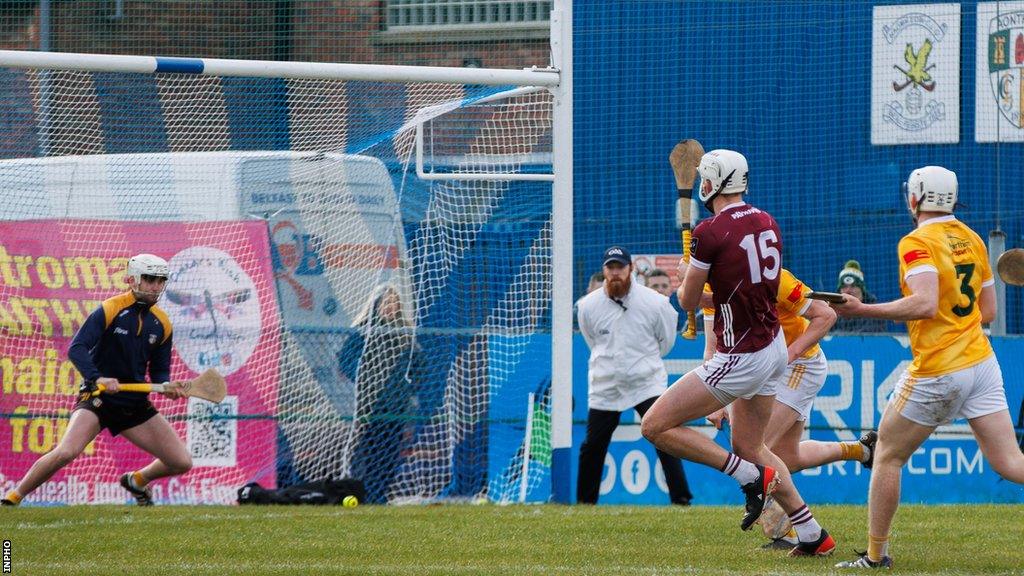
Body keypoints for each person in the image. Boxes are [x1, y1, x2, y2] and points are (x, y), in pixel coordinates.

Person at [641, 149, 835, 557]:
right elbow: (739, 291)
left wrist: (684, 281)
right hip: (773, 349)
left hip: (741, 355)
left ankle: (748, 476)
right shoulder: (768, 222)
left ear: (710, 184)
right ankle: (813, 533)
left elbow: (690, 301)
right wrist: (704, 281)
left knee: (655, 426)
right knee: (754, 445)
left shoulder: (710, 232)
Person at [832, 167, 1024, 569]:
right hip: (981, 362)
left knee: (886, 454)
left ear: (915, 198)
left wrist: (862, 308)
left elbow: (923, 304)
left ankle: (875, 557)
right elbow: (987, 311)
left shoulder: (917, 241)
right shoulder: (971, 237)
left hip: (941, 367)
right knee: (1010, 462)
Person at [704, 268, 878, 549]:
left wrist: (790, 354)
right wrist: (715, 393)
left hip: (796, 366)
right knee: (787, 456)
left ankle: (789, 530)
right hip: (755, 366)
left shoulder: (775, 276)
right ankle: (861, 450)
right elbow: (713, 330)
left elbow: (827, 315)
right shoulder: (714, 278)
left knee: (754, 450)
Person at [2, 254, 191, 507]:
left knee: (181, 462)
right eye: (149, 279)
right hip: (98, 399)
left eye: (160, 281)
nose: (155, 286)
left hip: (134, 404)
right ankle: (13, 498)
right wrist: (97, 377)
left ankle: (137, 480)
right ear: (132, 279)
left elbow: (159, 373)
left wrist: (166, 386)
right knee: (67, 451)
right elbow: (77, 348)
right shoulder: (111, 309)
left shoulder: (162, 324)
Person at [575, 246, 693, 505]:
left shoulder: (656, 303)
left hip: (646, 381)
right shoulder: (587, 306)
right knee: (593, 444)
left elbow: (666, 342)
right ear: (604, 271)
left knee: (665, 438)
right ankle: (585, 503)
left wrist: (643, 361)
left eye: (620, 267)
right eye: (611, 268)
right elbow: (592, 340)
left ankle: (681, 499)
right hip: (606, 383)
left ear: (631, 269)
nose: (615, 273)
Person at [337, 282, 419, 504]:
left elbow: (419, 367)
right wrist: (364, 376)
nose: (390, 307)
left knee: (391, 454)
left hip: (396, 406)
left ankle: (382, 493)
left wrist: (410, 386)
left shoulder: (406, 337)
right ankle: (369, 492)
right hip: (370, 405)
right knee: (370, 452)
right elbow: (345, 359)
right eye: (386, 302)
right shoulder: (364, 332)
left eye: (394, 303)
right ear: (377, 305)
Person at [833, 260, 886, 333]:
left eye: (853, 286)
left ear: (862, 290)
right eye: (844, 286)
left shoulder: (874, 311)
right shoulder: (832, 311)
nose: (848, 291)